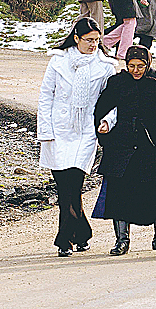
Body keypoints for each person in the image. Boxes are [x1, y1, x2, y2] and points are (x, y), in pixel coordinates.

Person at [37, 18, 117, 257]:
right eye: (89, 40)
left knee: (73, 184)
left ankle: (64, 240)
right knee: (64, 186)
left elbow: (113, 101)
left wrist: (107, 122)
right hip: (58, 130)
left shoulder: (105, 67)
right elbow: (45, 97)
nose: (94, 44)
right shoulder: (58, 62)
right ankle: (82, 233)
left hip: (85, 132)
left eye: (97, 40)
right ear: (76, 38)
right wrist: (45, 131)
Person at [92, 45, 156, 256]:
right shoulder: (117, 83)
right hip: (123, 143)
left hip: (152, 142)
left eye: (141, 66)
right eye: (131, 66)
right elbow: (102, 108)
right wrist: (103, 130)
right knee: (119, 192)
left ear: (148, 64)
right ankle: (122, 240)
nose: (136, 70)